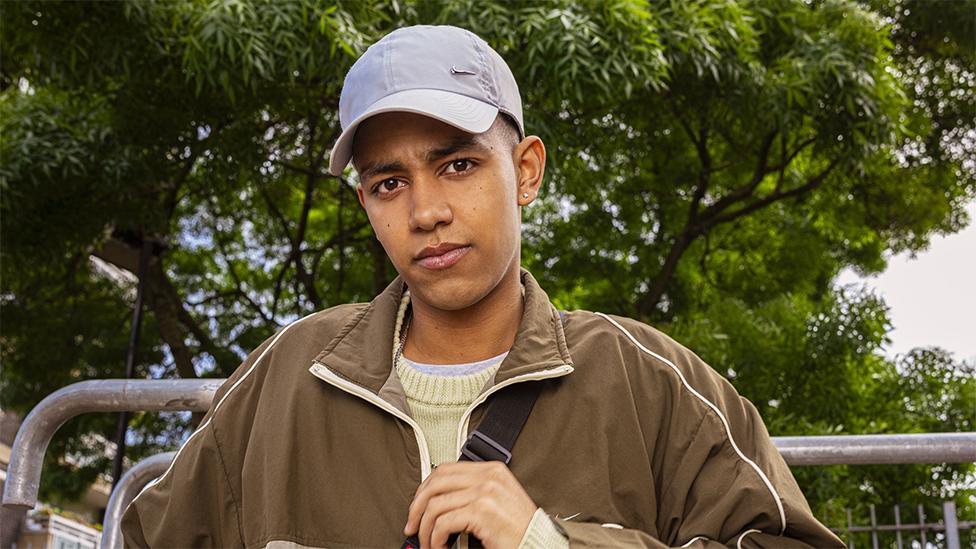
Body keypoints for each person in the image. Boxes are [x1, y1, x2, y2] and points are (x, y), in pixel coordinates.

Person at [121, 24, 844, 548]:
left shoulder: (646, 379)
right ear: (366, 202)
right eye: (388, 182)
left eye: (459, 165)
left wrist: (549, 543)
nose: (426, 210)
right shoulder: (286, 375)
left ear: (526, 169)